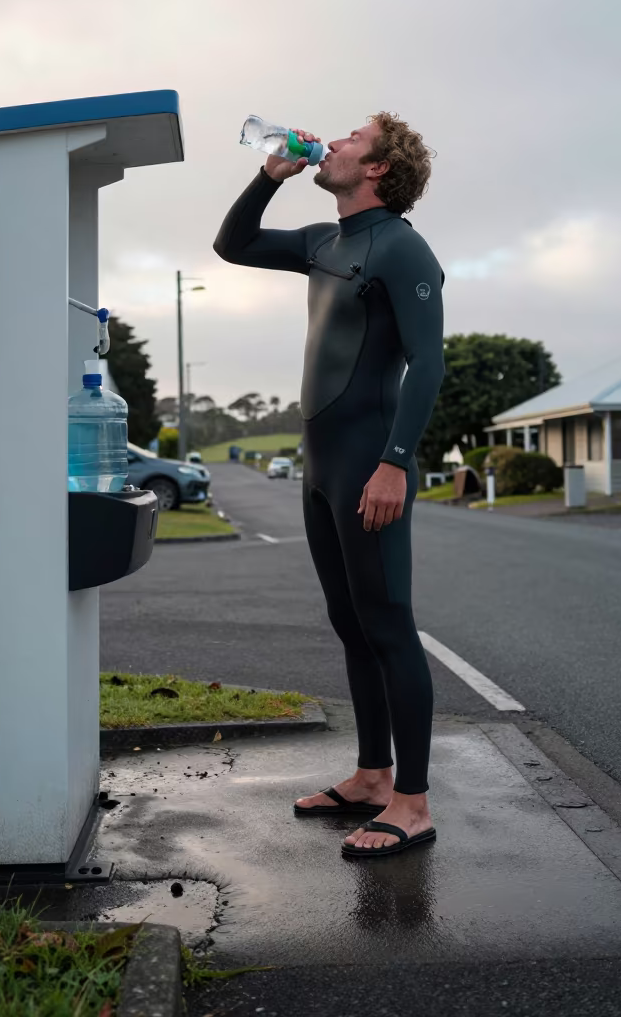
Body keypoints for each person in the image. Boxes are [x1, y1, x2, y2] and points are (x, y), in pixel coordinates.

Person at [213, 114, 445, 859]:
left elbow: (428, 363)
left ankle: (413, 803)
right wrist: (268, 176)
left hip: (370, 462)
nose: (333, 143)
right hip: (321, 467)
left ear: (378, 169)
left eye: (353, 139)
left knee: (389, 624)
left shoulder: (402, 247)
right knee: (350, 622)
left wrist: (394, 462)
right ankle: (373, 777)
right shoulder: (323, 240)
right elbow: (233, 245)